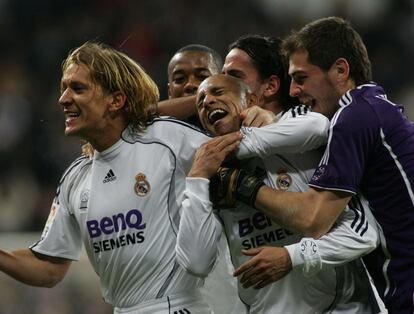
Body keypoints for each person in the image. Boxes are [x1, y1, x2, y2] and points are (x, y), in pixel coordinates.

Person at [0, 41, 241, 313]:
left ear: (116, 100)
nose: (63, 99)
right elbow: (48, 268)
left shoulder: (166, 139)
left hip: (176, 306)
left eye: (78, 88)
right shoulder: (75, 177)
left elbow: (238, 143)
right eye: (64, 88)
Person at [225, 17, 414, 313]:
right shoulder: (372, 109)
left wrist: (242, 186)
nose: (294, 90)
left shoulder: (353, 117)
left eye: (301, 78)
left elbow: (314, 218)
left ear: (340, 70)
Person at [177, 73, 380, 313]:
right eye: (200, 102)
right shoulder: (211, 176)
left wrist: (292, 257)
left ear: (251, 100)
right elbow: (196, 263)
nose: (207, 102)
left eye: (218, 93)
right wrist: (198, 177)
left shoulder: (295, 137)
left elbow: (364, 233)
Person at [157, 44, 223, 128]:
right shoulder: (154, 131)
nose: (190, 84)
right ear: (169, 92)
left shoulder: (241, 126)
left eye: (202, 77)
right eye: (179, 79)